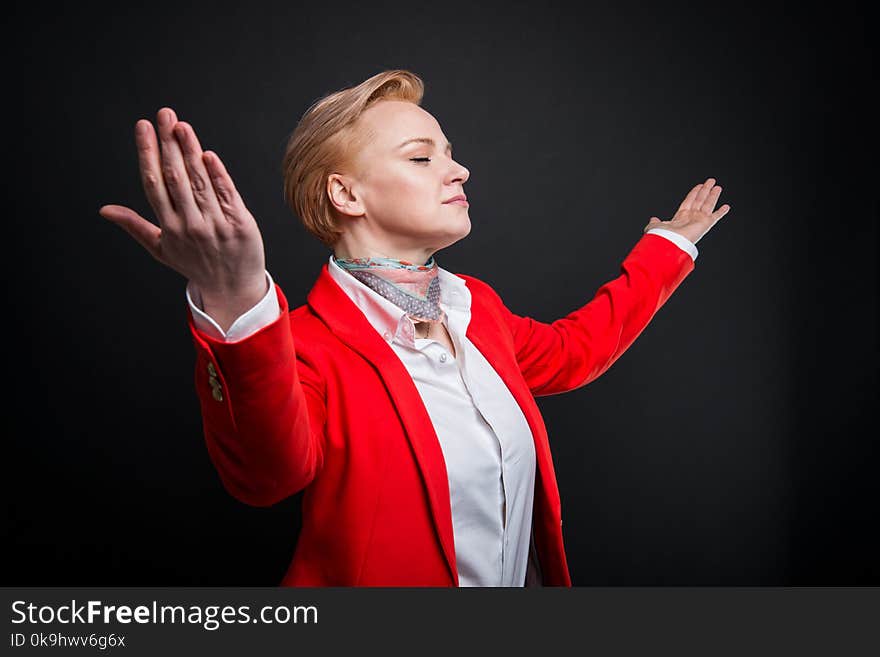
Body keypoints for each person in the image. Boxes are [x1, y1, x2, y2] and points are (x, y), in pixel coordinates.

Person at [99, 69, 731, 587]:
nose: (459, 172)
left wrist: (668, 247)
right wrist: (236, 298)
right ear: (347, 195)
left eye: (451, 156)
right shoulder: (304, 345)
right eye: (424, 157)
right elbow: (267, 479)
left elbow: (573, 352)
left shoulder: (475, 306)